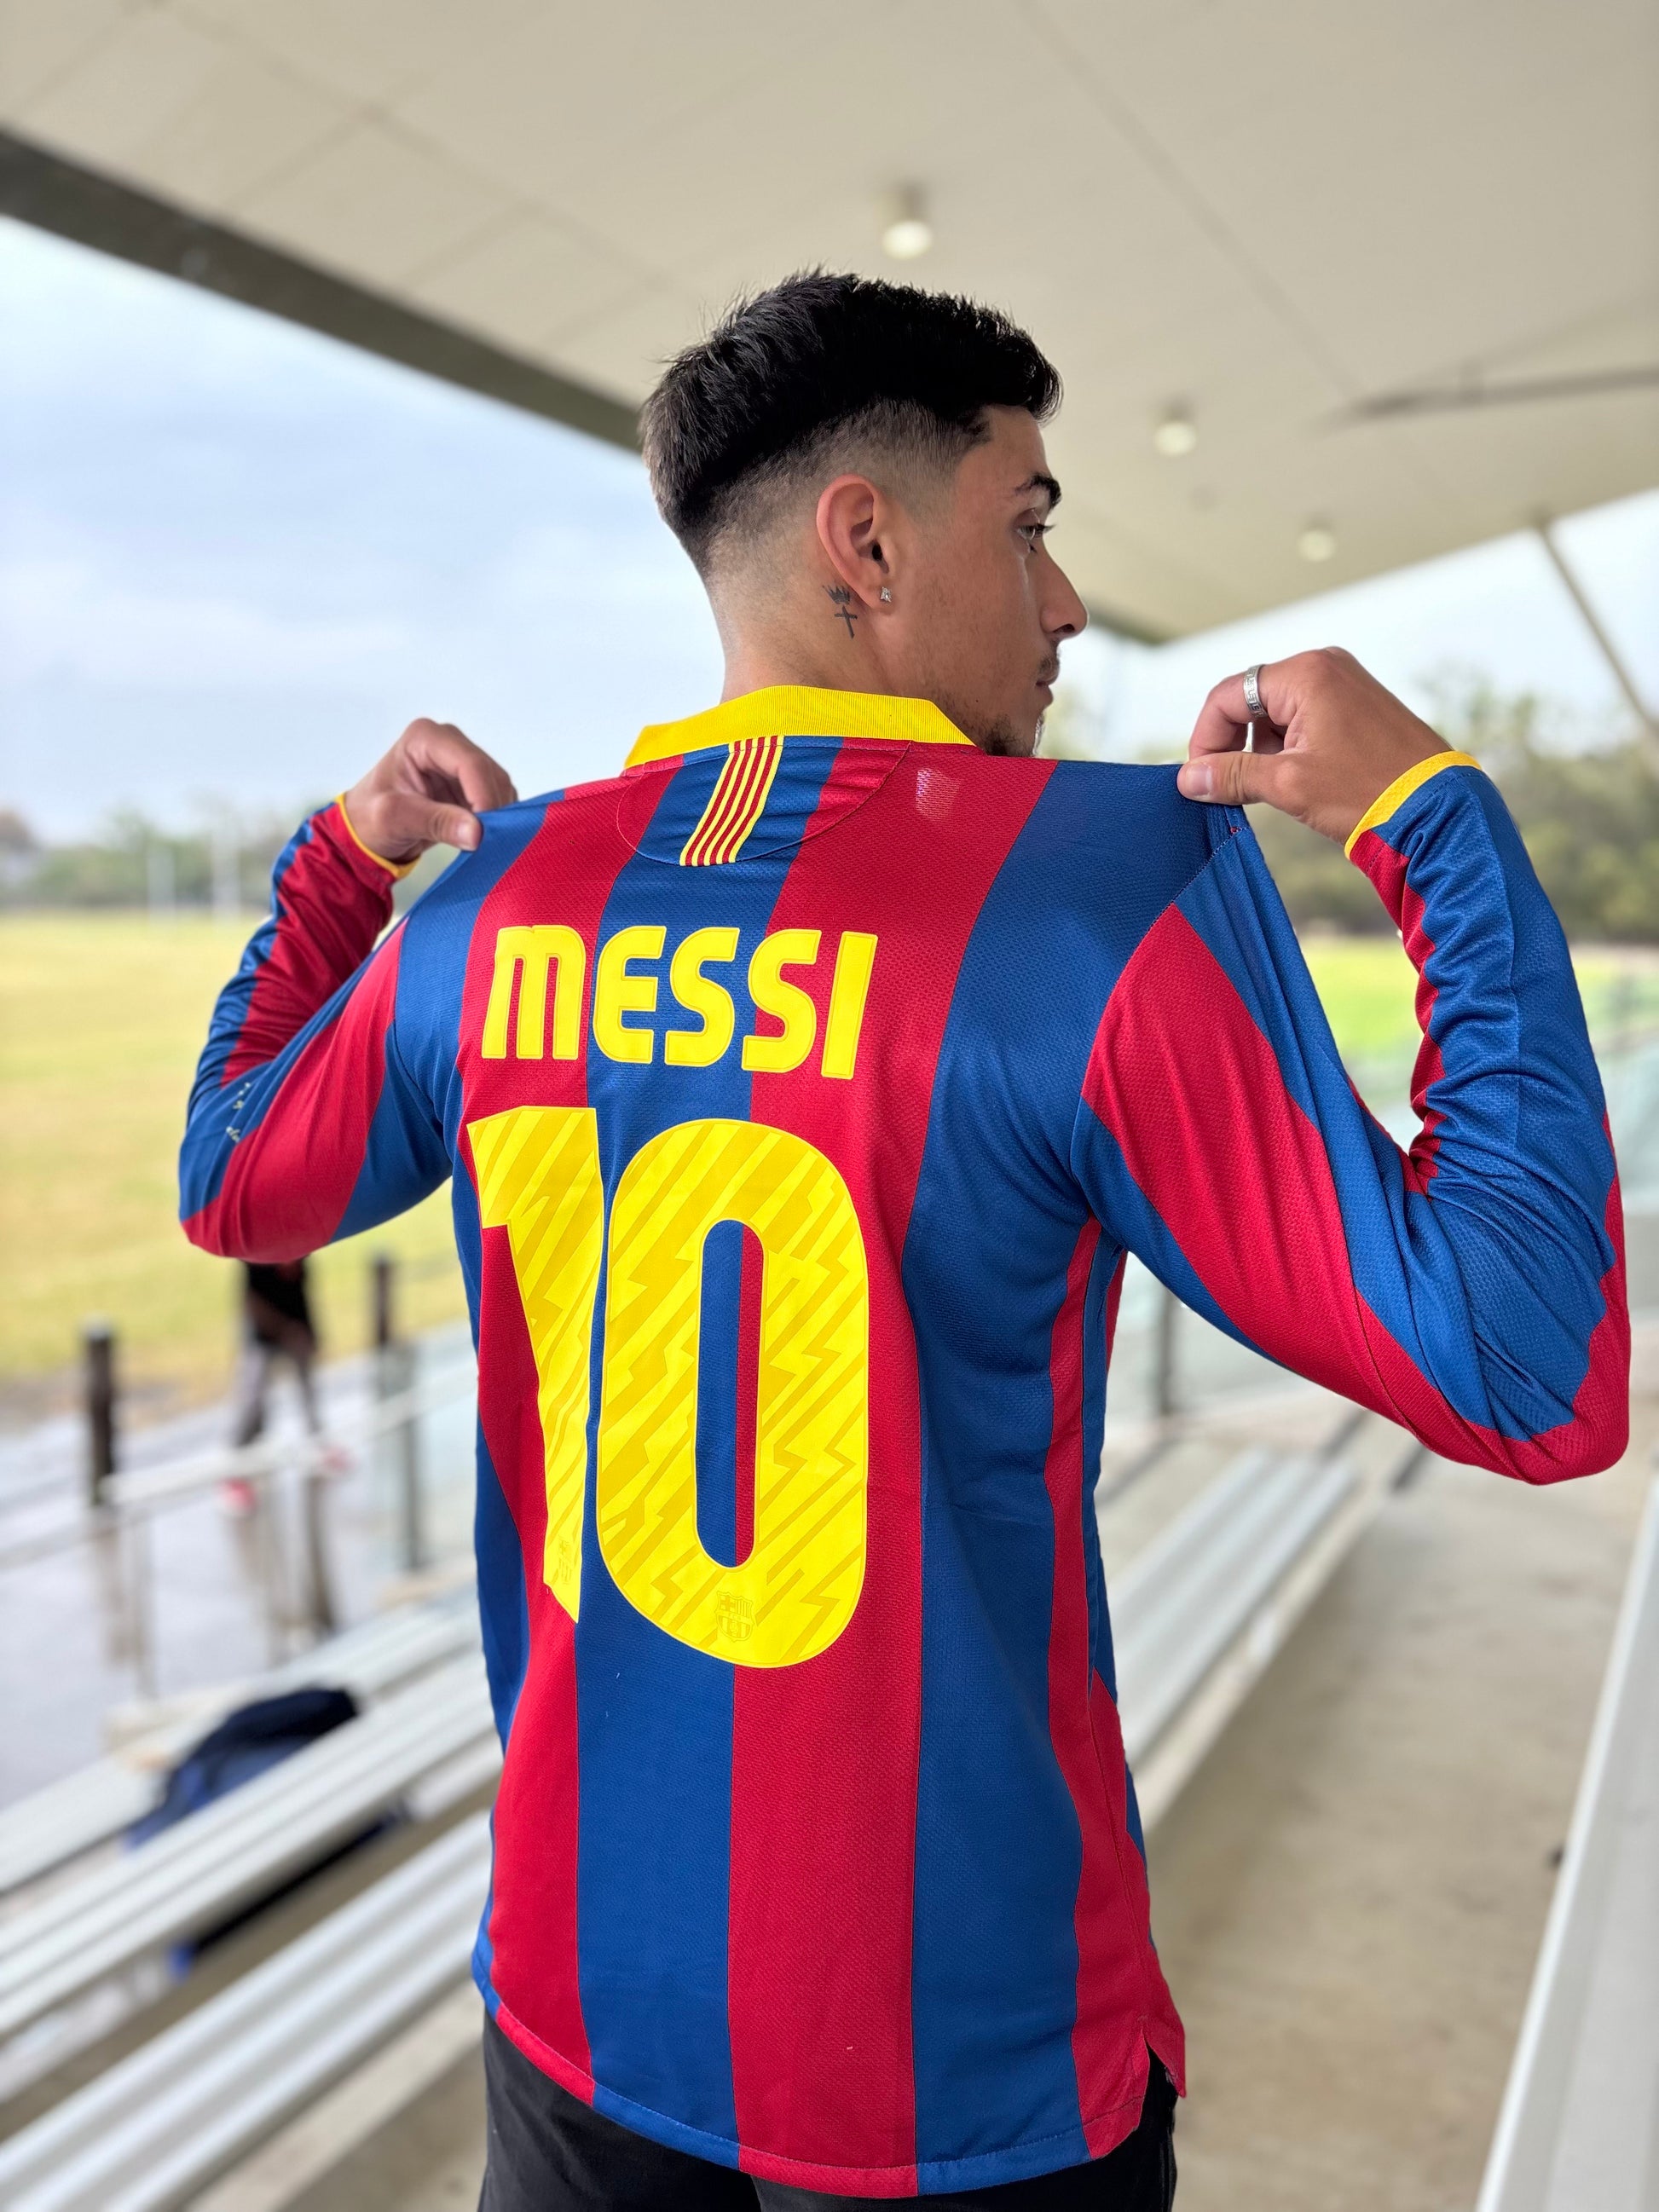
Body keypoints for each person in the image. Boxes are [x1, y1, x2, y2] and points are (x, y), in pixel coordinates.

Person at [179, 274, 1627, 2210]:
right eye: (1028, 525)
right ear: (867, 544)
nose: (1066, 601)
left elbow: (231, 1175)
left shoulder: (488, 905)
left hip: (577, 2008)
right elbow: (1529, 1367)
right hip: (959, 2073)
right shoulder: (1087, 896)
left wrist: (344, 860)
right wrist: (1431, 816)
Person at [221, 1257, 323, 1514]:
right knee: (252, 1403)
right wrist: (282, 1329)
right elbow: (253, 1299)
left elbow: (302, 1289)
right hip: (263, 1334)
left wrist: (307, 1331)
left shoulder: (300, 1250)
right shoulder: (256, 1259)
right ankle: (235, 1473)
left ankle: (318, 1443)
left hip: (295, 1325)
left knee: (308, 1390)